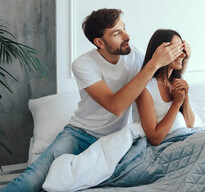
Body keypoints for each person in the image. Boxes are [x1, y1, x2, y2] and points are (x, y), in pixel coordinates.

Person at [1, 9, 187, 192]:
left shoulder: (136, 56)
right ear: (99, 42)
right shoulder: (84, 64)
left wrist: (183, 58)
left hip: (118, 138)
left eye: (124, 28)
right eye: (117, 33)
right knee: (37, 175)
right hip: (80, 134)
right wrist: (154, 63)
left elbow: (165, 80)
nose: (127, 35)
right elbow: (116, 106)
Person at [42, 29, 195, 191]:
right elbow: (155, 138)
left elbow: (190, 124)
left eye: (183, 48)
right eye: (176, 49)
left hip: (182, 141)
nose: (182, 54)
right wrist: (176, 104)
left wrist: (184, 96)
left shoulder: (177, 83)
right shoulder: (146, 89)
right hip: (158, 147)